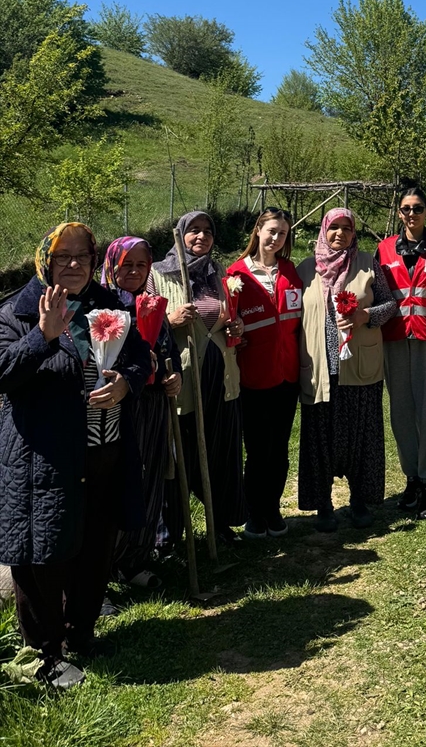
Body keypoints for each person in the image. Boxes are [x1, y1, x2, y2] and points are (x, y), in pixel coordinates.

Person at [0, 223, 151, 689]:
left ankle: (81, 635)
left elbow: (141, 358)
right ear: (44, 259)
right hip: (44, 459)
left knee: (93, 547)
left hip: (103, 454)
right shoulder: (18, 313)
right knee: (42, 554)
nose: (72, 264)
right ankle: (45, 655)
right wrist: (42, 336)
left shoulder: (112, 306)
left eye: (82, 256)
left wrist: (127, 380)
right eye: (62, 256)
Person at [149, 211, 245, 547]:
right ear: (180, 234)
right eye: (193, 231)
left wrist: (236, 326)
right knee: (180, 454)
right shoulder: (157, 275)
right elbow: (143, 325)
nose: (201, 236)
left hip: (219, 372)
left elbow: (224, 314)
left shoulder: (217, 271)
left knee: (220, 448)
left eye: (207, 231)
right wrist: (169, 321)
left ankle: (220, 523)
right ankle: (171, 535)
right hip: (182, 374)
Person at [297, 208, 397, 530]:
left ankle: (358, 500)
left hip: (359, 366)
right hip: (319, 368)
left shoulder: (368, 264)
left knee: (360, 436)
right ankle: (323, 504)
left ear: (354, 233)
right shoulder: (304, 270)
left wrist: (365, 316)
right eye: (334, 227)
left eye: (347, 228)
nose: (340, 233)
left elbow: (391, 305)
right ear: (324, 230)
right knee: (321, 438)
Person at [102, 236, 183, 589]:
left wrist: (173, 375)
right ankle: (101, 573)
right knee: (115, 487)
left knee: (150, 482)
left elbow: (170, 350)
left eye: (141, 265)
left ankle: (135, 560)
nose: (134, 272)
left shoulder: (151, 305)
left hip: (151, 407)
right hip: (115, 410)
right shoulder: (100, 307)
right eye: (127, 265)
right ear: (111, 266)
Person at [376, 186, 426, 519]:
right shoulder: (382, 249)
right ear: (399, 212)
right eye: (406, 208)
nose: (412, 214)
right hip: (393, 337)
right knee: (401, 412)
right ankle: (411, 477)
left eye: (418, 208)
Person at [226, 208, 303, 539]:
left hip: (287, 374)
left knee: (280, 448)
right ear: (258, 231)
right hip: (254, 376)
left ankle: (272, 508)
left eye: (282, 233)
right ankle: (254, 513)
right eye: (271, 230)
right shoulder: (235, 275)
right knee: (258, 449)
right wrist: (236, 331)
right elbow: (227, 328)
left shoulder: (290, 272)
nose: (276, 238)